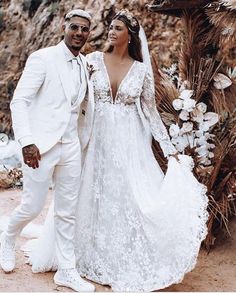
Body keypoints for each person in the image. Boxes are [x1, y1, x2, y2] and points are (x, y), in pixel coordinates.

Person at [22, 9, 208, 291]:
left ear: (130, 36)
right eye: (110, 26)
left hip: (128, 145)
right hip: (95, 140)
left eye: (118, 28)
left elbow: (150, 113)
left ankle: (117, 254)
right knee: (86, 195)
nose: (111, 31)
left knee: (125, 198)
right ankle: (74, 257)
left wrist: (169, 150)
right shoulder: (92, 61)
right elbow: (71, 97)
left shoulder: (142, 71)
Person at [0, 9, 95, 292]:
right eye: (74, 27)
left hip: (72, 147)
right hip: (40, 147)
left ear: (88, 33)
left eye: (84, 29)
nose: (79, 33)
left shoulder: (84, 64)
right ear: (64, 27)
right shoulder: (43, 58)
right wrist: (27, 142)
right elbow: (20, 102)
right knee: (32, 205)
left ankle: (67, 270)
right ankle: (7, 237)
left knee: (67, 212)